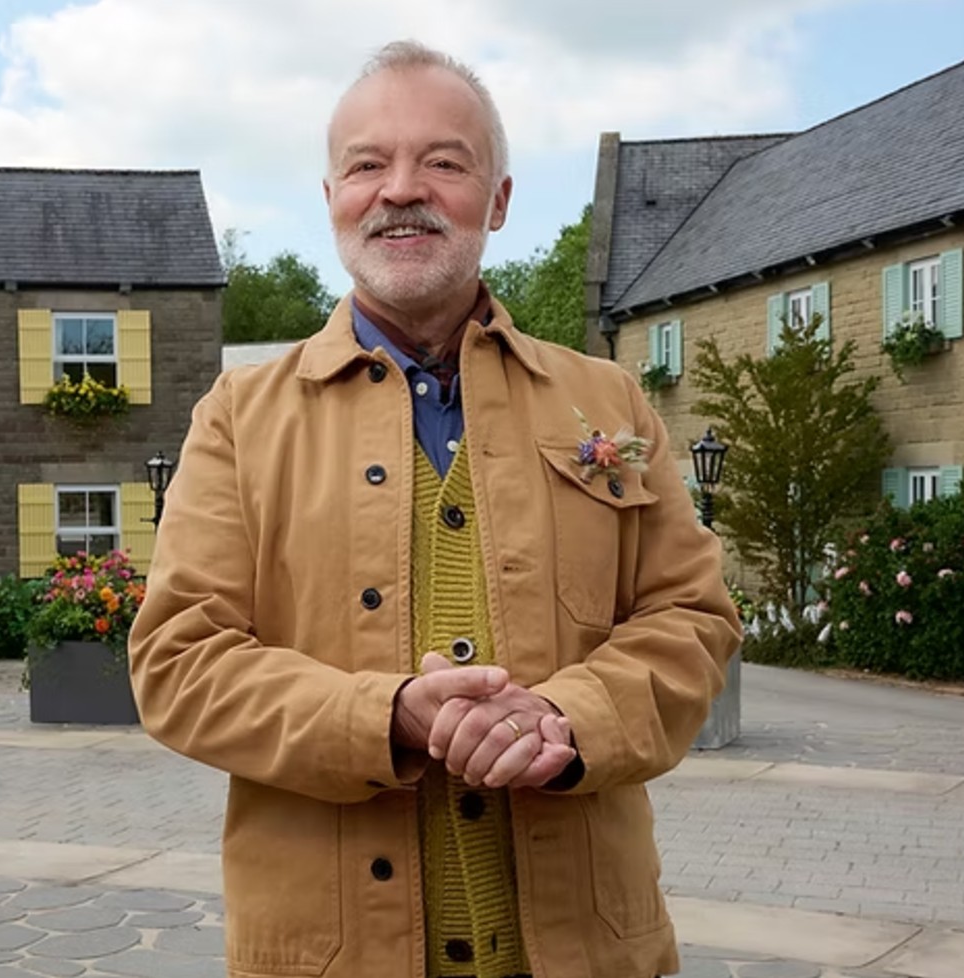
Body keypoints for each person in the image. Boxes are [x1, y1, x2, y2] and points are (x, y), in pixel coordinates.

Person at [130, 39, 742, 978]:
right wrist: (387, 718)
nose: (400, 190)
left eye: (444, 163)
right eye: (366, 165)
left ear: (498, 199)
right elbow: (180, 660)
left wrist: (569, 718)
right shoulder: (240, 419)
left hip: (588, 950)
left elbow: (693, 618)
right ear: (331, 196)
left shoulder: (609, 400)